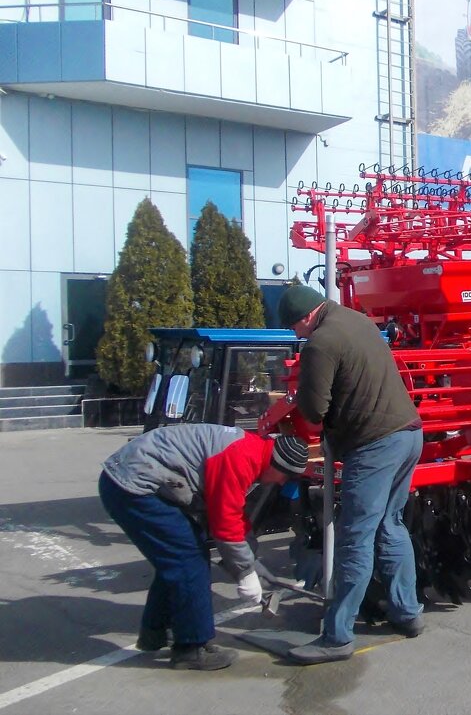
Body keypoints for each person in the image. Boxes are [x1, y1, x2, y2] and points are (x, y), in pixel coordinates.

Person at [276, 284, 424, 666]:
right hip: (409, 434)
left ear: (307, 316)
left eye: (295, 327)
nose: (296, 334)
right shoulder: (358, 321)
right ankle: (407, 612)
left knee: (354, 537)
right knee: (390, 524)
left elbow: (312, 408)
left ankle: (337, 635)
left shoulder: (320, 342)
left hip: (373, 444)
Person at [98, 424, 309, 671]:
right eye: (284, 476)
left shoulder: (252, 450)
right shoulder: (241, 459)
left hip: (131, 477)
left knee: (179, 556)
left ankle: (155, 631)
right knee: (189, 560)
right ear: (277, 465)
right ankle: (190, 648)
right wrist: (244, 572)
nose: (282, 482)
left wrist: (251, 560)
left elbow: (232, 512)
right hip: (132, 485)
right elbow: (225, 521)